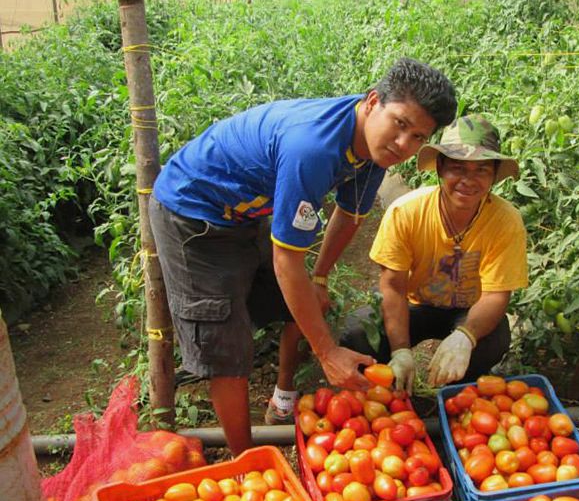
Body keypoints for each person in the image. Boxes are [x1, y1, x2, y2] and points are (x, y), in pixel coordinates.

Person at [149, 58, 457, 453]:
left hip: (246, 213)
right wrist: (327, 352)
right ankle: (250, 462)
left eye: (418, 137)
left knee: (306, 302)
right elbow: (286, 261)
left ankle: (282, 400)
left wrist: (321, 278)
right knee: (226, 347)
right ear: (373, 101)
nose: (403, 146)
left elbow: (349, 215)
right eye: (400, 124)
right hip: (193, 215)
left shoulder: (375, 152)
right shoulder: (312, 146)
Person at [339, 114, 528, 394]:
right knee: (358, 332)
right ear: (439, 168)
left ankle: (458, 392)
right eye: (457, 168)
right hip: (415, 304)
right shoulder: (407, 211)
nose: (468, 180)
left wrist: (466, 335)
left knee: (494, 340)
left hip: (469, 307)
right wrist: (401, 349)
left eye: (481, 170)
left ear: (494, 175)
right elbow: (392, 286)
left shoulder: (505, 220)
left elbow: (496, 295)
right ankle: (383, 386)